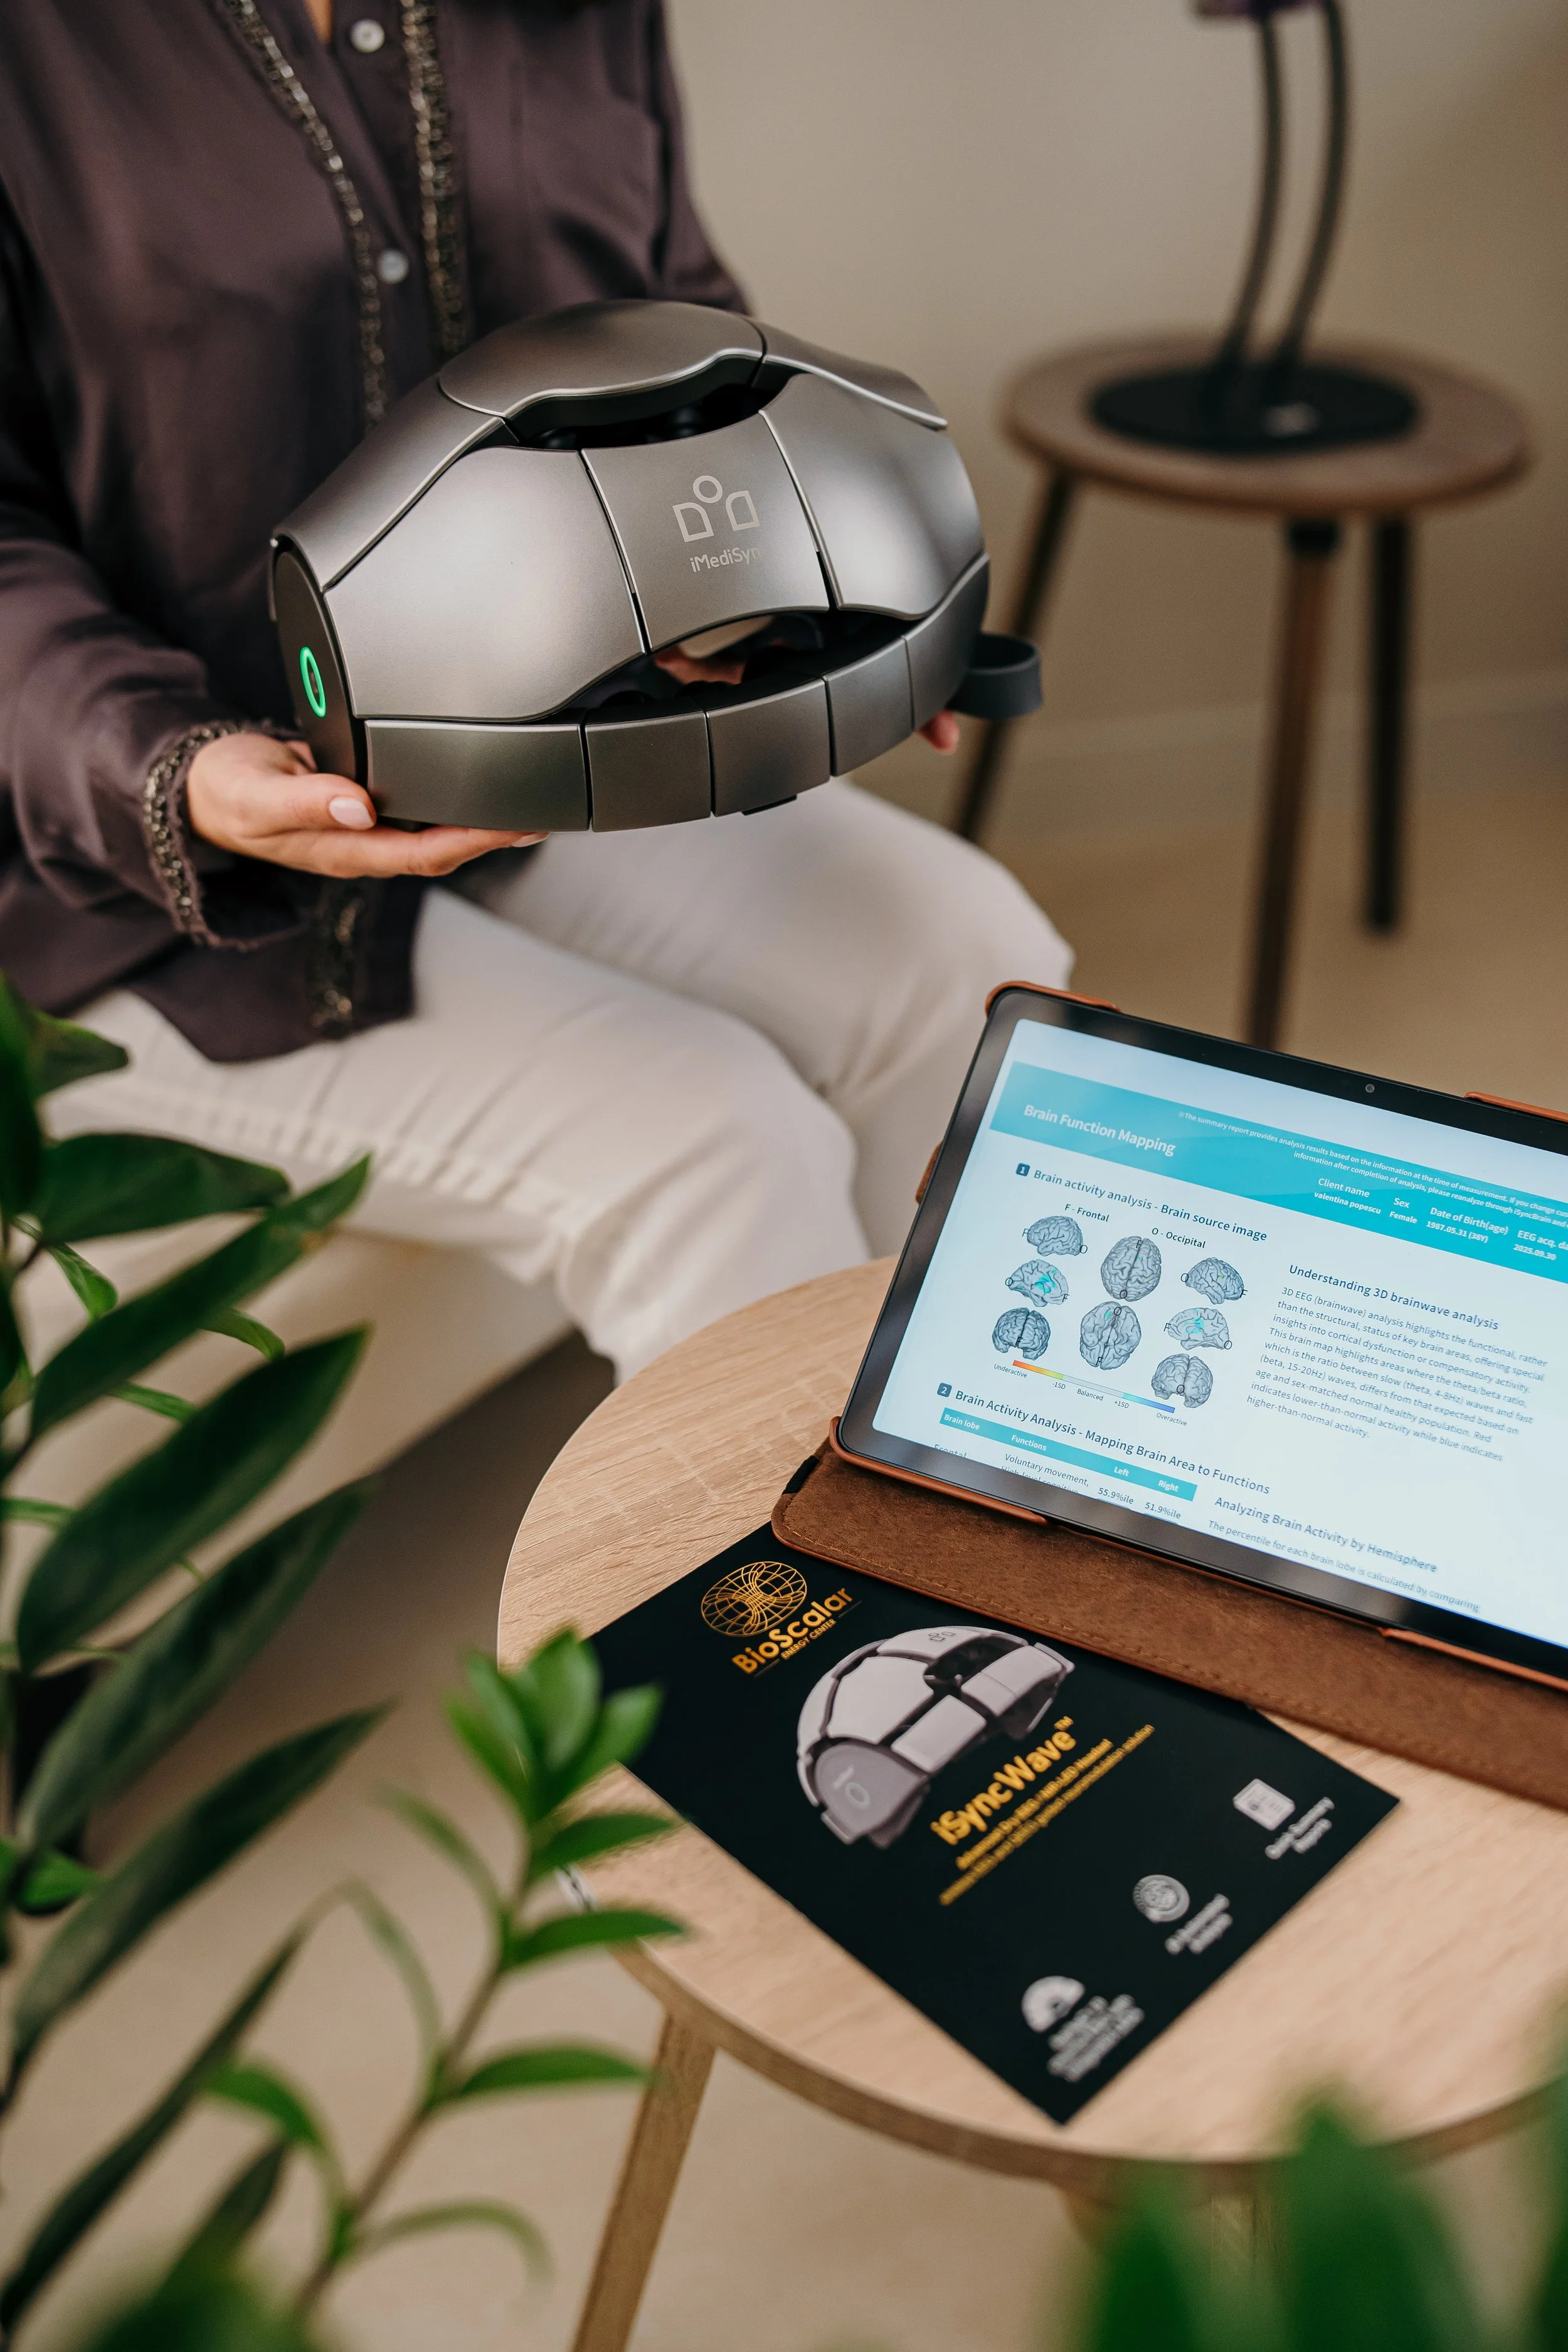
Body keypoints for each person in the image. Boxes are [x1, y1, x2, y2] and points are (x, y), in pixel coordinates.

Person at [0, 0, 1071, 1379]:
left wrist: (811, 608)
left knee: (975, 977)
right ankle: (781, 1597)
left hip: (539, 768)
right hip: (137, 886)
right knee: (715, 1146)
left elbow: (669, 324)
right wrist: (170, 767)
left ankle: (959, 1510)